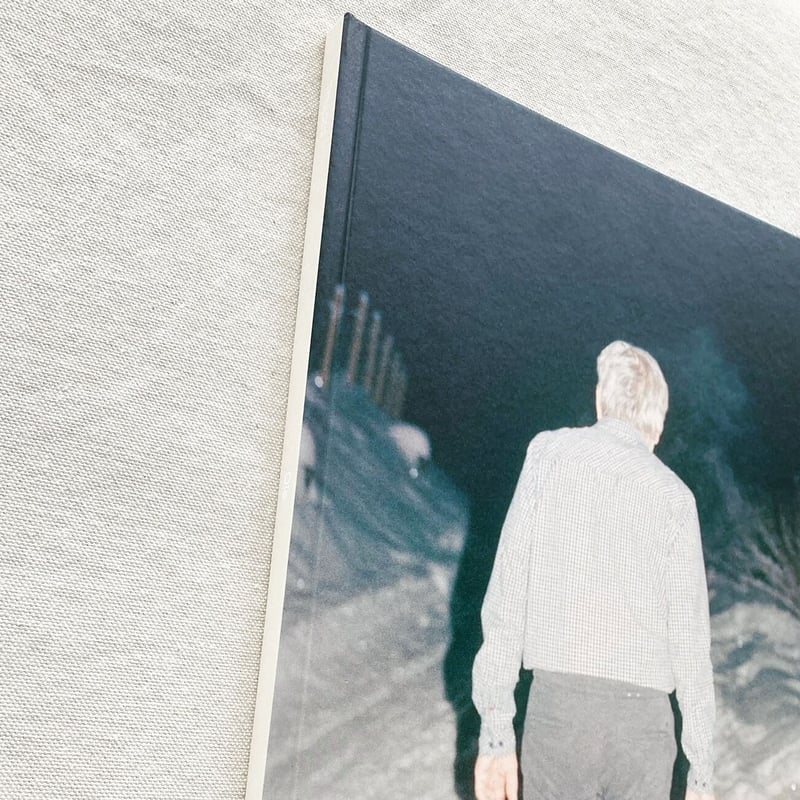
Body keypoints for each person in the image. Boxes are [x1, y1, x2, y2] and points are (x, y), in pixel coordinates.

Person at [472, 341, 715, 800]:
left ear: (600, 399)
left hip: (561, 717)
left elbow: (507, 597)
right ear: (658, 422)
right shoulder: (676, 499)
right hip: (643, 733)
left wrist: (496, 733)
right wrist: (701, 770)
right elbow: (691, 646)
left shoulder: (548, 456)